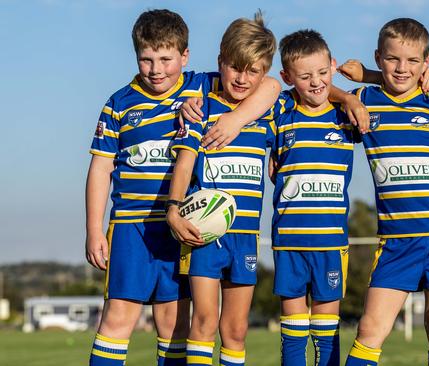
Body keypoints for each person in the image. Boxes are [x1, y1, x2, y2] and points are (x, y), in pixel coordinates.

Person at [85, 9, 277, 366]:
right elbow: (100, 167)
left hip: (186, 228)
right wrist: (94, 229)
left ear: (184, 56)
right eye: (147, 59)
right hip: (133, 227)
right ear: (136, 56)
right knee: (118, 317)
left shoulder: (202, 85)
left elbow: (269, 85)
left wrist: (235, 120)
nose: (157, 69)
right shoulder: (118, 105)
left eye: (166, 59)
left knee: (174, 324)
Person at [338, 18, 429, 366]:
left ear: (426, 62)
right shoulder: (363, 100)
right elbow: (316, 89)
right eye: (393, 59)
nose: (402, 68)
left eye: (413, 61)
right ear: (379, 57)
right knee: (370, 329)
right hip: (396, 239)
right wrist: (353, 86)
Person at [165, 11, 280, 366]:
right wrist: (173, 207)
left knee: (236, 329)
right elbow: (184, 164)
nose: (242, 78)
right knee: (203, 322)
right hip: (204, 235)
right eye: (234, 67)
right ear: (220, 62)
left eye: (253, 71)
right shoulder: (201, 109)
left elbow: (279, 92)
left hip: (245, 236)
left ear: (263, 72)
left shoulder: (266, 115)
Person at [269, 29, 361, 366]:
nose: (316, 82)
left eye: (323, 73)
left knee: (326, 335)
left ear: (333, 66)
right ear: (287, 77)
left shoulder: (346, 115)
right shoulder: (279, 110)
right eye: (305, 76)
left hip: (330, 242)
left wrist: (349, 97)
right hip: (289, 240)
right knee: (293, 335)